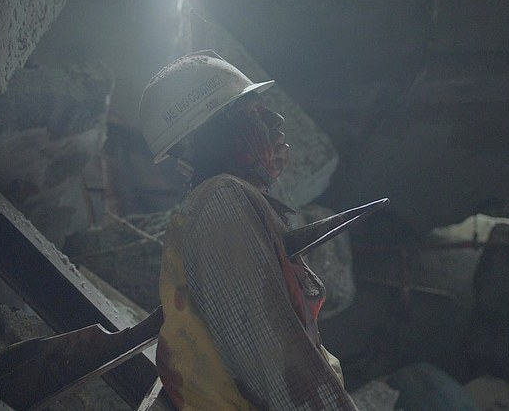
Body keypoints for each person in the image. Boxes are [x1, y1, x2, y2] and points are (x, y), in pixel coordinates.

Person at [139, 51, 358, 410]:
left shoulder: (226, 202)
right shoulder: (222, 201)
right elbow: (277, 371)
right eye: (254, 113)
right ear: (211, 137)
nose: (276, 119)